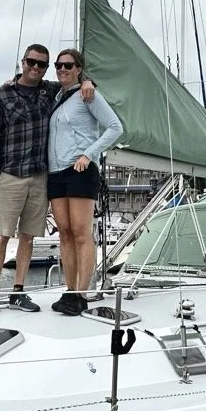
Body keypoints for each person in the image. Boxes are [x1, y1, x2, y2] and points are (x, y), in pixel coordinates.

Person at [0, 44, 94, 316]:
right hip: (10, 175)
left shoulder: (49, 90)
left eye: (42, 64)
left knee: (28, 237)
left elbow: (73, 82)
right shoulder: (1, 95)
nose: (36, 67)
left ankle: (18, 291)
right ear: (23, 61)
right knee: (1, 236)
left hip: (40, 176)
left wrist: (88, 80)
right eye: (32, 61)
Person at [46, 47, 122, 315]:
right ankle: (69, 291)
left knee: (81, 233)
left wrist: (89, 155)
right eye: (59, 65)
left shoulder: (87, 94)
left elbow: (115, 127)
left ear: (79, 69)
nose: (62, 70)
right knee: (64, 233)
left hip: (79, 170)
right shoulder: (56, 95)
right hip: (55, 173)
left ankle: (81, 293)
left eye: (68, 66)